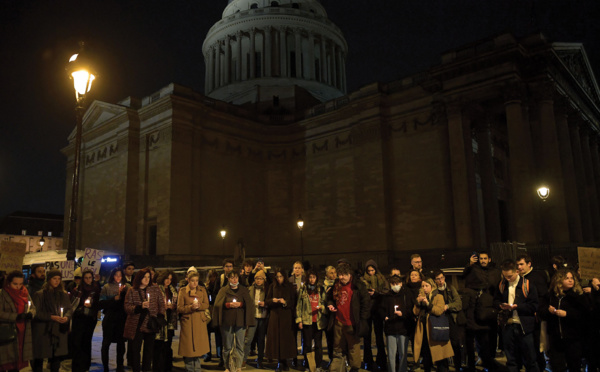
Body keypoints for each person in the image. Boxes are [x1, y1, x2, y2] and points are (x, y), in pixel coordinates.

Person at [494, 260, 539, 372]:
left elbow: (534, 306)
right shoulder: (502, 285)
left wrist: (517, 307)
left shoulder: (527, 285)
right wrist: (501, 305)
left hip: (524, 327)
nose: (507, 279)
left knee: (530, 359)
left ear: (517, 272)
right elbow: (495, 301)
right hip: (508, 325)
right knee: (511, 360)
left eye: (510, 276)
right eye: (505, 276)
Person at [539, 269, 586, 372]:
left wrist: (567, 314)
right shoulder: (551, 296)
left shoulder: (577, 295)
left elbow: (584, 314)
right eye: (567, 278)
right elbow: (541, 311)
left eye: (572, 278)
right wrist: (549, 311)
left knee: (574, 366)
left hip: (573, 339)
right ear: (559, 281)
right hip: (556, 338)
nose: (570, 281)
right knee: (557, 366)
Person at [326, 263, 370, 372]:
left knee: (353, 348)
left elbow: (366, 303)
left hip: (352, 322)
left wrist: (362, 319)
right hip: (338, 322)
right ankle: (337, 369)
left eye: (344, 275)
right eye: (340, 274)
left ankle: (354, 368)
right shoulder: (336, 285)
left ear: (350, 274)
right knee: (337, 347)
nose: (341, 277)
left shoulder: (358, 286)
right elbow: (329, 297)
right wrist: (330, 304)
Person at [462, 251, 501, 371]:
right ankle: (474, 364)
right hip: (474, 310)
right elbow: (465, 275)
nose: (483, 260)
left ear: (489, 259)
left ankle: (489, 362)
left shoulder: (495, 271)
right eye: (481, 258)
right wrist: (470, 264)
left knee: (489, 339)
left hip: (489, 309)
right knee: (474, 339)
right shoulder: (473, 269)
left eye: (485, 258)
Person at [123, 267, 166, 372]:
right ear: (139, 278)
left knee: (148, 350)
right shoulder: (132, 290)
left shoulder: (155, 288)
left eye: (148, 277)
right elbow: (127, 307)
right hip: (136, 325)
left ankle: (146, 369)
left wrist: (160, 316)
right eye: (144, 277)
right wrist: (139, 307)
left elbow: (161, 304)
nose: (147, 279)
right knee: (135, 351)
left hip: (150, 324)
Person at [214, 270, 255, 372]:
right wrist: (227, 305)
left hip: (240, 321)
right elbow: (217, 304)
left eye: (236, 277)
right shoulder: (223, 290)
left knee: (240, 345)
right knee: (227, 346)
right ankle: (227, 367)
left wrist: (241, 304)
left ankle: (238, 367)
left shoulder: (244, 290)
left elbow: (250, 304)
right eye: (232, 277)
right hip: (226, 322)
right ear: (228, 279)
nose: (234, 279)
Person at [31, 269, 72, 372]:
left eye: (59, 279)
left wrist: (66, 317)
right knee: (40, 358)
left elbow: (69, 309)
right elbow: (36, 313)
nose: (57, 281)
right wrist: (51, 317)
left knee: (56, 358)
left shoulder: (63, 294)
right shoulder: (40, 294)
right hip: (43, 331)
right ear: (49, 279)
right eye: (54, 278)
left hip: (57, 330)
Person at [516, 254, 550, 372]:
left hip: (535, 318)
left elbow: (543, 296)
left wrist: (537, 310)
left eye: (521, 264)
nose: (519, 267)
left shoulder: (536, 277)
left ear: (529, 264)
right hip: (522, 317)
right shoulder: (518, 278)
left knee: (536, 347)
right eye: (518, 265)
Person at [412, 278, 453, 372]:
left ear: (432, 286)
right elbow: (415, 312)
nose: (424, 288)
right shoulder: (420, 296)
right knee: (426, 357)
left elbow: (439, 311)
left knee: (440, 358)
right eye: (423, 286)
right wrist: (418, 303)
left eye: (426, 286)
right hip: (424, 331)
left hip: (436, 330)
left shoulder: (438, 296)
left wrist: (428, 303)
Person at [0, 270, 36, 372]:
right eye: (15, 284)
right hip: (8, 332)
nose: (18, 286)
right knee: (7, 360)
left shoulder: (24, 293)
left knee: (18, 358)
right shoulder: (2, 294)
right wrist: (15, 316)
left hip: (23, 331)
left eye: (20, 284)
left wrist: (31, 314)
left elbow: (33, 307)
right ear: (9, 283)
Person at [379, 275, 414, 372]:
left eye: (397, 284)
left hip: (403, 328)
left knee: (403, 354)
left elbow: (410, 309)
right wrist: (385, 317)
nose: (395, 286)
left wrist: (403, 314)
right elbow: (381, 309)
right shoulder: (387, 296)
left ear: (401, 283)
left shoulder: (406, 295)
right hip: (390, 328)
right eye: (393, 284)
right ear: (390, 284)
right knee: (391, 355)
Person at [178, 270, 210, 372]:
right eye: (192, 280)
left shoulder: (202, 290)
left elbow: (206, 304)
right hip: (188, 322)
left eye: (196, 280)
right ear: (188, 280)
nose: (195, 283)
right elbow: (179, 308)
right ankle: (190, 369)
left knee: (198, 348)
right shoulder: (183, 291)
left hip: (199, 322)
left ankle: (198, 369)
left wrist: (199, 306)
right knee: (189, 349)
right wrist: (191, 307)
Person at [266, 268, 298, 372]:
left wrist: (285, 302)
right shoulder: (272, 286)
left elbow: (293, 302)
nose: (279, 279)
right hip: (275, 316)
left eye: (281, 276)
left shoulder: (289, 287)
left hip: (286, 317)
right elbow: (267, 301)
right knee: (277, 339)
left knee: (285, 339)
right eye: (277, 277)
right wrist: (273, 300)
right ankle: (280, 362)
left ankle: (285, 361)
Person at [296, 270, 328, 372]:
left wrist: (321, 307)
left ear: (317, 278)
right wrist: (299, 320)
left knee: (318, 345)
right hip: (307, 321)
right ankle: (307, 365)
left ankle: (318, 366)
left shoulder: (321, 289)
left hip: (318, 321)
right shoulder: (303, 289)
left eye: (314, 277)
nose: (312, 279)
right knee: (307, 345)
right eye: (310, 277)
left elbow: (325, 304)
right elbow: (299, 306)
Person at [71, 269, 101, 372]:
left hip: (89, 319)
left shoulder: (95, 290)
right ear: (83, 279)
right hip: (79, 319)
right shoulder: (77, 289)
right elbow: (73, 304)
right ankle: (76, 366)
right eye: (86, 278)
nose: (88, 280)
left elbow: (98, 304)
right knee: (77, 342)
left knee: (86, 342)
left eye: (90, 278)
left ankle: (85, 366)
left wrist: (91, 305)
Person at [433, 270, 463, 372]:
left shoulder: (450, 288)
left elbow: (458, 303)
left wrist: (448, 306)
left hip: (451, 318)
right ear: (435, 280)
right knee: (441, 344)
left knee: (455, 343)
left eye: (442, 278)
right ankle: (443, 367)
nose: (440, 281)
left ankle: (458, 365)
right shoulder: (434, 291)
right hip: (439, 320)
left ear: (444, 278)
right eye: (438, 279)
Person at [361, 259, 389, 371]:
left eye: (372, 270)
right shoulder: (362, 279)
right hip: (367, 311)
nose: (371, 272)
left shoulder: (382, 278)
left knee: (379, 337)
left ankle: (381, 360)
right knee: (367, 337)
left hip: (378, 310)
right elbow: (360, 293)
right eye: (369, 271)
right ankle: (368, 360)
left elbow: (386, 291)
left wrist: (376, 293)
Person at [99, 267, 129, 372]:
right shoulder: (107, 287)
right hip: (110, 318)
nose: (118, 277)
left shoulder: (127, 287)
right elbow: (101, 303)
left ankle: (119, 367)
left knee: (121, 344)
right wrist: (113, 299)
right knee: (106, 343)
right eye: (116, 275)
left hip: (122, 319)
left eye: (120, 275)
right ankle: (106, 367)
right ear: (112, 276)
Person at [154, 270, 179, 372]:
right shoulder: (156, 289)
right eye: (166, 278)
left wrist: (172, 306)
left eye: (170, 279)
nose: (168, 281)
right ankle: (158, 367)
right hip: (160, 320)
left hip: (170, 320)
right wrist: (162, 307)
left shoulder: (172, 290)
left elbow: (176, 303)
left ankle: (167, 367)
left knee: (168, 345)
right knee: (159, 346)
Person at [244, 270, 269, 368]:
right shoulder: (250, 289)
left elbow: (269, 301)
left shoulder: (267, 289)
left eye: (261, 279)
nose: (259, 281)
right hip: (253, 317)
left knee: (261, 340)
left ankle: (260, 360)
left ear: (264, 280)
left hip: (263, 317)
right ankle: (243, 359)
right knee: (248, 339)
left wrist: (265, 304)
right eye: (257, 278)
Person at [205, 268, 221, 362]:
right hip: (209, 311)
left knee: (218, 334)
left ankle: (217, 353)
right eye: (211, 276)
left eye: (214, 276)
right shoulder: (207, 287)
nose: (212, 278)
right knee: (208, 335)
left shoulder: (217, 286)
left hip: (215, 311)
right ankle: (209, 353)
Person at [323, 265, 337, 367]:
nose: (334, 275)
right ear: (327, 274)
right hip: (327, 316)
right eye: (331, 273)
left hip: (337, 314)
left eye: (335, 272)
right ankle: (331, 359)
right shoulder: (323, 286)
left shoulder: (338, 284)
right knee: (330, 339)